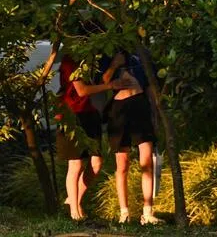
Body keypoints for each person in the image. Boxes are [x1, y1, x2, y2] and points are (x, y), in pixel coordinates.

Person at [56, 49, 130, 221]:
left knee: (96, 163)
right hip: (71, 114)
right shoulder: (70, 61)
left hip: (90, 113)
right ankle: (75, 212)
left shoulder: (93, 60)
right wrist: (111, 86)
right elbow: (81, 90)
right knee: (75, 164)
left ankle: (74, 200)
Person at [103, 49, 161, 225]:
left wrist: (156, 114)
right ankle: (124, 212)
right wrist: (115, 64)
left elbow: (150, 87)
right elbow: (105, 80)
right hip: (119, 109)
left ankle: (148, 211)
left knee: (146, 161)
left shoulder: (140, 56)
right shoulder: (107, 54)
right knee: (122, 164)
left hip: (139, 105)